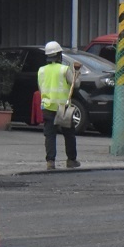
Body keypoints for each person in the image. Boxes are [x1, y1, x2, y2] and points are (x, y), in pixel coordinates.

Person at [37, 41, 80, 171]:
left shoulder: (41, 70)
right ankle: (71, 160)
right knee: (69, 134)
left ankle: (50, 161)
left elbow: (41, 88)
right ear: (59, 54)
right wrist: (77, 73)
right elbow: (76, 84)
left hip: (48, 106)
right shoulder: (64, 69)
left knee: (49, 135)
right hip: (63, 108)